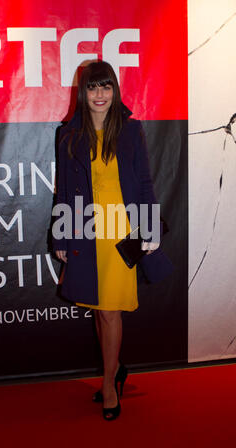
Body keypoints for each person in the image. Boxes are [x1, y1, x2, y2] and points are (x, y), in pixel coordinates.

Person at [52, 60, 173, 420]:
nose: (100, 94)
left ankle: (107, 385)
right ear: (83, 93)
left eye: (106, 87)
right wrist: (61, 232)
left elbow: (146, 183)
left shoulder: (131, 131)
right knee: (96, 304)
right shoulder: (67, 134)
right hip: (87, 231)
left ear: (114, 91)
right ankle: (115, 368)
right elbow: (64, 192)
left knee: (109, 310)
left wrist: (149, 231)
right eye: (92, 87)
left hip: (122, 231)